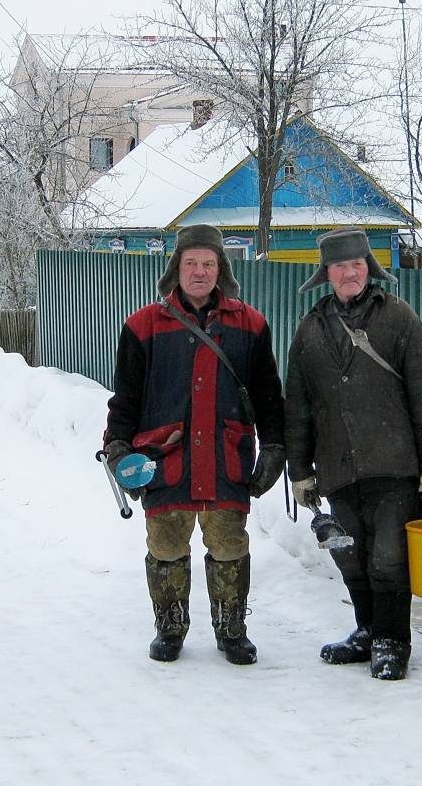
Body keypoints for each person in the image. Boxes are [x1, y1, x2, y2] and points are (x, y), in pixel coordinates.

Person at [102, 224, 285, 666]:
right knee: (165, 546)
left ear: (221, 269)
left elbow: (267, 396)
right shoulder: (142, 326)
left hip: (226, 458)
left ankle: (231, 629)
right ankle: (169, 628)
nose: (200, 272)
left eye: (208, 263)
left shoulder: (251, 324)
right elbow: (126, 398)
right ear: (176, 269)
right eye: (191, 263)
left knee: (229, 545)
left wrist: (275, 446)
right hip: (164, 458)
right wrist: (119, 448)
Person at [283, 227, 422, 681]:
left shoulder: (397, 317)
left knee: (389, 559)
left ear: (368, 268)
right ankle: (367, 631)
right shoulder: (311, 327)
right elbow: (296, 407)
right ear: (327, 274)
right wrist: (299, 471)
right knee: (349, 554)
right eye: (340, 266)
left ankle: (393, 641)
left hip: (395, 464)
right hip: (338, 466)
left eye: (357, 264)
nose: (349, 273)